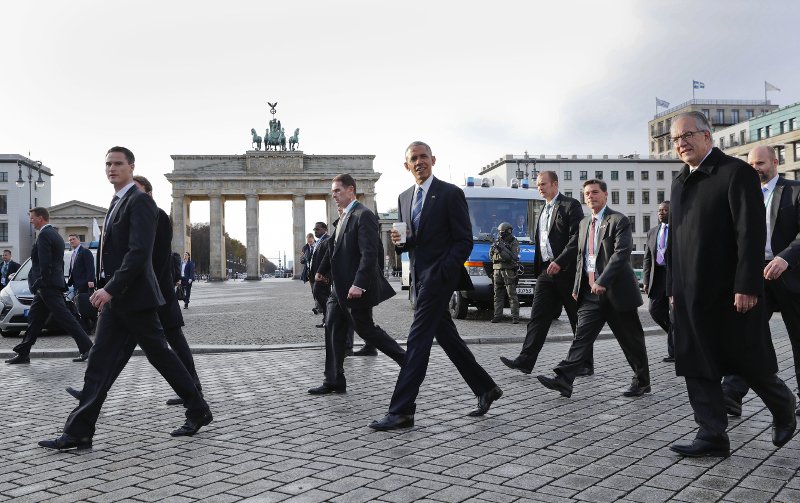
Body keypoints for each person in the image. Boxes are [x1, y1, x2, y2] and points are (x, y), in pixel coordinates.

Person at [38, 146, 211, 451]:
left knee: (161, 357)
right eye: (108, 164)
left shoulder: (140, 201)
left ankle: (198, 408)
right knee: (100, 363)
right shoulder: (117, 201)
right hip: (120, 300)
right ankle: (79, 431)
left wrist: (110, 288)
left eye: (118, 163)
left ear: (131, 166)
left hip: (135, 298)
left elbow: (139, 254)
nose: (111, 168)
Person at [666, 112, 795, 458]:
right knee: (697, 363)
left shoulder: (735, 172)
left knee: (747, 359)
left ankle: (783, 406)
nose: (681, 143)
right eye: (676, 139)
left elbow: (750, 233)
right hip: (691, 292)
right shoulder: (680, 183)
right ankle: (711, 435)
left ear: (708, 136)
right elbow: (674, 243)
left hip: (730, 290)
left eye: (688, 135)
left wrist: (748, 284)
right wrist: (672, 289)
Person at [370, 141, 502, 431]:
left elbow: (464, 241)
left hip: (439, 279)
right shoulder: (404, 197)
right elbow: (410, 243)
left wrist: (442, 272)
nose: (419, 162)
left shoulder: (450, 193)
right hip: (419, 279)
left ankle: (402, 410)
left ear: (433, 160)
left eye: (423, 157)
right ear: (407, 166)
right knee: (448, 339)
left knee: (417, 343)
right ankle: (486, 388)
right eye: (413, 159)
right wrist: (400, 243)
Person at [65, 175, 204, 406]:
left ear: (147, 192)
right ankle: (93, 391)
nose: (132, 195)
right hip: (138, 294)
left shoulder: (157, 215)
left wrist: (153, 292)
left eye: (136, 190)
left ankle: (193, 390)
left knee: (171, 346)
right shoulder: (135, 212)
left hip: (154, 294)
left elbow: (156, 259)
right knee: (117, 351)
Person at [537, 179, 650, 399]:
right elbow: (581, 257)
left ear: (606, 195)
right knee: (582, 337)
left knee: (631, 341)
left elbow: (621, 254)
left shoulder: (619, 220)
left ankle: (642, 381)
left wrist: (603, 281)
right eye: (587, 194)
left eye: (595, 192)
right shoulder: (584, 223)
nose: (591, 197)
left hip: (616, 293)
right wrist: (578, 286)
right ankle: (564, 380)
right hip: (590, 294)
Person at [308, 174, 405, 395]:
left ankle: (406, 360)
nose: (333, 195)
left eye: (337, 191)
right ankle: (333, 380)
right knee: (332, 329)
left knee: (366, 329)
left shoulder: (364, 215)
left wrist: (359, 284)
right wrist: (322, 272)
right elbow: (333, 249)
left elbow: (369, 254)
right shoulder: (342, 217)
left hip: (354, 289)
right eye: (332, 192)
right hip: (337, 289)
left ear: (351, 190)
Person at [722, 145, 800, 418]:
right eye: (751, 164)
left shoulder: (794, 190)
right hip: (755, 275)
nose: (755, 168)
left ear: (775, 162)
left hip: (791, 274)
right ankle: (730, 396)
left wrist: (785, 257)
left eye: (760, 163)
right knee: (744, 334)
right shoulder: (744, 194)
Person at [500, 171, 586, 374]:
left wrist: (560, 261)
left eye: (543, 184)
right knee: (537, 317)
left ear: (555, 184)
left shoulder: (569, 205)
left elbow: (577, 237)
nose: (539, 187)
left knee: (577, 318)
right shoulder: (543, 210)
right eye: (538, 185)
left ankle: (583, 363)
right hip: (546, 272)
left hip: (567, 271)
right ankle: (525, 360)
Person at [5, 208, 94, 365]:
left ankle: (88, 347)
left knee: (65, 317)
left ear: (40, 218)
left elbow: (45, 263)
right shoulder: (56, 235)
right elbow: (56, 262)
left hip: (47, 285)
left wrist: (40, 282)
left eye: (32, 218)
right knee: (34, 319)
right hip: (49, 285)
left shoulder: (45, 235)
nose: (31, 221)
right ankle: (24, 353)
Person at [642, 201, 674, 363]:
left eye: (665, 210)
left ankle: (674, 353)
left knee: (675, 315)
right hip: (657, 277)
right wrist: (645, 280)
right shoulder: (652, 232)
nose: (661, 213)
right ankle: (676, 335)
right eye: (660, 210)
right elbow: (647, 258)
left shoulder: (678, 230)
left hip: (673, 277)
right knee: (654, 310)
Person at [490, 222, 520, 324]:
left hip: (508, 271)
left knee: (511, 294)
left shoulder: (513, 242)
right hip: (497, 270)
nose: (501, 234)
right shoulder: (497, 241)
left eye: (503, 232)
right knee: (497, 295)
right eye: (500, 232)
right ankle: (497, 316)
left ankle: (515, 317)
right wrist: (497, 251)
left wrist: (500, 251)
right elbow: (491, 255)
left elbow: (510, 257)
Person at [67, 233, 97, 333]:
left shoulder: (85, 252)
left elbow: (90, 267)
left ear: (79, 240)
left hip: (85, 284)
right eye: (70, 240)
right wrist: (69, 282)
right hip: (76, 284)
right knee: (80, 307)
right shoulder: (73, 253)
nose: (71, 241)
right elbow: (73, 269)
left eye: (73, 239)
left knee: (86, 306)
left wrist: (91, 281)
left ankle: (90, 327)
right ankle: (86, 327)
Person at [309, 225, 329, 328]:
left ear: (324, 229)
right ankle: (326, 319)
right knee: (318, 295)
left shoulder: (327, 240)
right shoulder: (317, 242)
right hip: (315, 275)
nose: (315, 231)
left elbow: (328, 258)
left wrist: (325, 274)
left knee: (320, 294)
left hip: (323, 275)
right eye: (314, 229)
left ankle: (329, 318)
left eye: (317, 229)